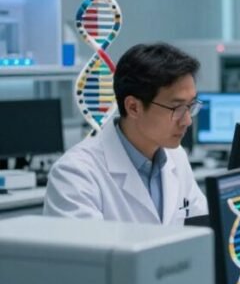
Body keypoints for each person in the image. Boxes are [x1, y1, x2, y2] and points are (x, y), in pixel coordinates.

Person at [44, 43, 208, 225]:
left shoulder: (176, 157)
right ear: (133, 107)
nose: (187, 121)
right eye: (177, 108)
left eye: (191, 106)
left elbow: (203, 232)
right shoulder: (75, 174)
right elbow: (87, 252)